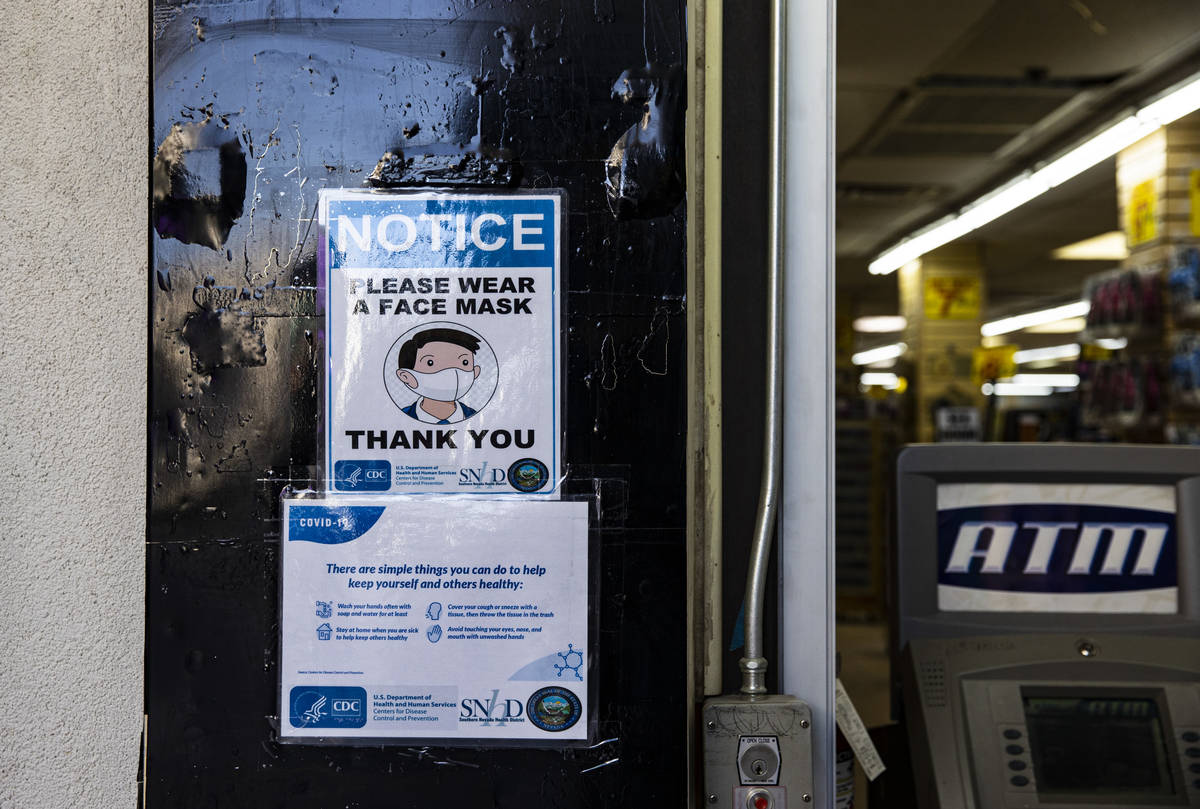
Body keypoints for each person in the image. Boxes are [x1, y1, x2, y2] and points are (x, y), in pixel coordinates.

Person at [395, 327, 482, 424]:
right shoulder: (396, 420)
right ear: (406, 377)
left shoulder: (480, 420)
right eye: (430, 363)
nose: (452, 371)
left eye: (464, 362)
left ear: (475, 372)